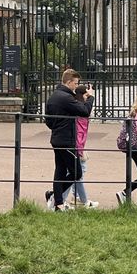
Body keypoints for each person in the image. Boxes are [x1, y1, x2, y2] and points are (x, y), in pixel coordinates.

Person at [44, 69, 94, 211]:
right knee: (77, 172)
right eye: (76, 83)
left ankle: (58, 203)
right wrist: (91, 98)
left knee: (60, 170)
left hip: (57, 139)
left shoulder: (53, 96)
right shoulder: (66, 98)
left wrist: (57, 127)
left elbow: (48, 121)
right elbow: (84, 111)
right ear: (69, 82)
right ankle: (55, 194)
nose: (76, 86)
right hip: (67, 140)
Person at [62, 85, 99, 208]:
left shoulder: (76, 108)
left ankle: (75, 198)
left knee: (76, 173)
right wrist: (91, 96)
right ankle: (69, 199)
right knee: (78, 173)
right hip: (77, 145)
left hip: (78, 145)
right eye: (85, 95)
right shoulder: (80, 110)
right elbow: (80, 132)